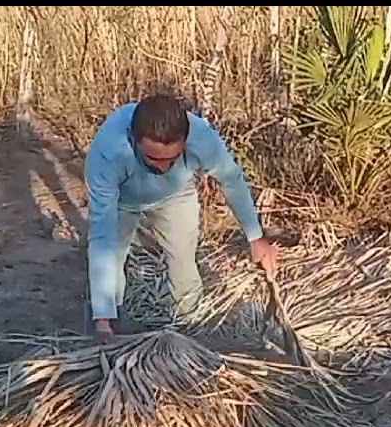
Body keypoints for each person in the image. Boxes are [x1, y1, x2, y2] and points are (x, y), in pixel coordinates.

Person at [84, 93, 280, 343]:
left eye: (172, 160)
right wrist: (102, 319)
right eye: (153, 159)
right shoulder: (109, 150)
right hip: (122, 200)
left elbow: (231, 181)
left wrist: (256, 237)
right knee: (114, 255)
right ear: (134, 141)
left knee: (184, 261)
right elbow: (103, 236)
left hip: (175, 196)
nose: (163, 168)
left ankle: (190, 330)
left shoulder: (202, 138)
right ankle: (112, 318)